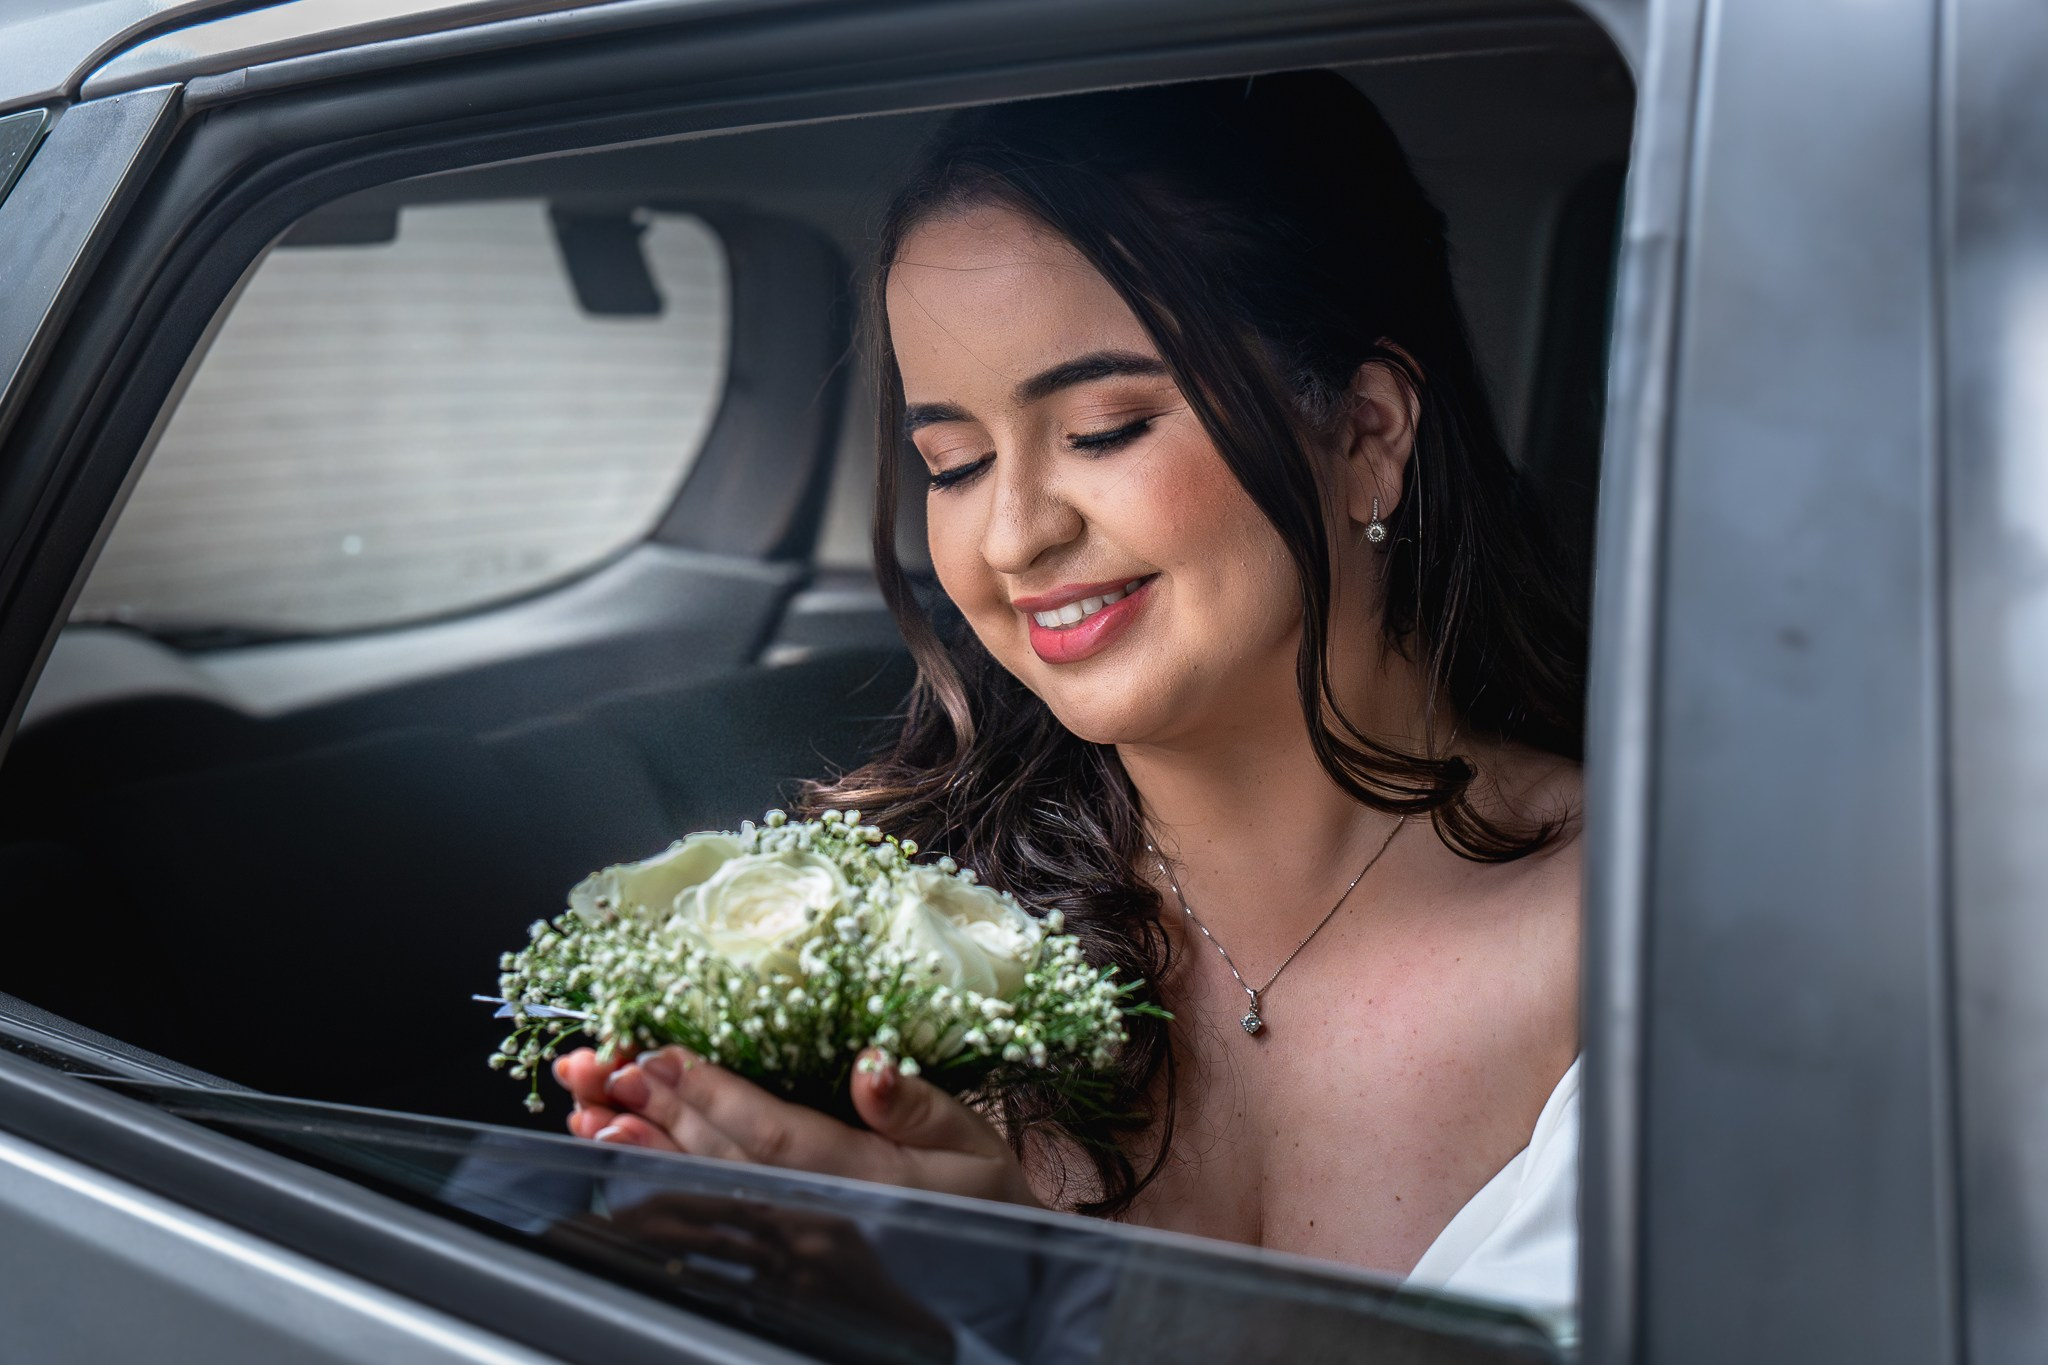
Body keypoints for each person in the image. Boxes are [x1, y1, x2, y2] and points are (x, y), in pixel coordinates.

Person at [555, 71, 1586, 1315]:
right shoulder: (895, 927)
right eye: (953, 462)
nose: (1011, 538)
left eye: (1102, 429)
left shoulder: (1654, 932)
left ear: (1365, 430)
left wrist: (1037, 1293)